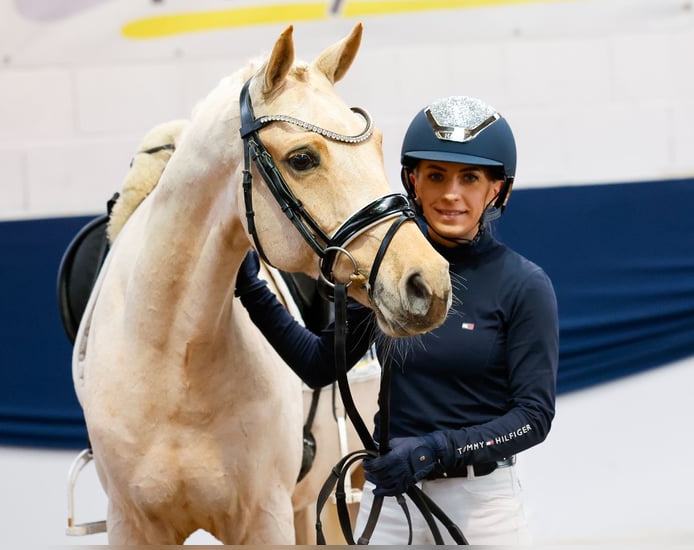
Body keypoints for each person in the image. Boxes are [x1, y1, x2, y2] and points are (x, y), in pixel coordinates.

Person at [234, 95, 559, 545]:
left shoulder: (524, 285)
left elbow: (533, 417)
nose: (451, 193)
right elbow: (317, 364)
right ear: (412, 181)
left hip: (482, 506)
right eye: (436, 176)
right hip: (390, 502)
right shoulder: (386, 274)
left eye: (470, 178)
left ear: (496, 190)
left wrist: (434, 451)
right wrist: (251, 290)